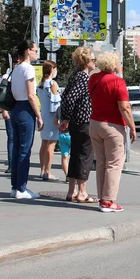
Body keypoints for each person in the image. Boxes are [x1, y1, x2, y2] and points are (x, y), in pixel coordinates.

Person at [89, 51, 137, 212]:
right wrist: (132, 127)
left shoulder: (94, 79)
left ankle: (102, 197)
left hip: (95, 124)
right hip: (113, 126)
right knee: (115, 164)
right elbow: (124, 107)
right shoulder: (118, 82)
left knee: (101, 163)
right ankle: (108, 201)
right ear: (114, 64)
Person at [60, 47, 96, 202]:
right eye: (93, 60)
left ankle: (71, 191)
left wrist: (66, 118)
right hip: (83, 121)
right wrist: (66, 118)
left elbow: (66, 96)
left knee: (75, 155)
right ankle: (82, 192)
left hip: (76, 122)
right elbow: (70, 99)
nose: (95, 62)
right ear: (86, 62)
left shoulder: (75, 76)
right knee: (85, 156)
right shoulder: (83, 78)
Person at [9, 40, 43, 199]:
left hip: (15, 109)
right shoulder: (28, 68)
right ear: (28, 51)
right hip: (25, 110)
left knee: (16, 150)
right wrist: (39, 115)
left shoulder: (15, 68)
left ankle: (15, 187)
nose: (37, 53)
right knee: (25, 151)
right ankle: (22, 189)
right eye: (35, 50)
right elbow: (31, 95)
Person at [36, 60, 61, 181]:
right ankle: (48, 172)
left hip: (44, 114)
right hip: (52, 116)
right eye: (55, 68)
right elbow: (55, 102)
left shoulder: (40, 84)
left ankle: (42, 170)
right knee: (51, 144)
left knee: (44, 143)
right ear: (52, 70)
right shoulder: (52, 84)